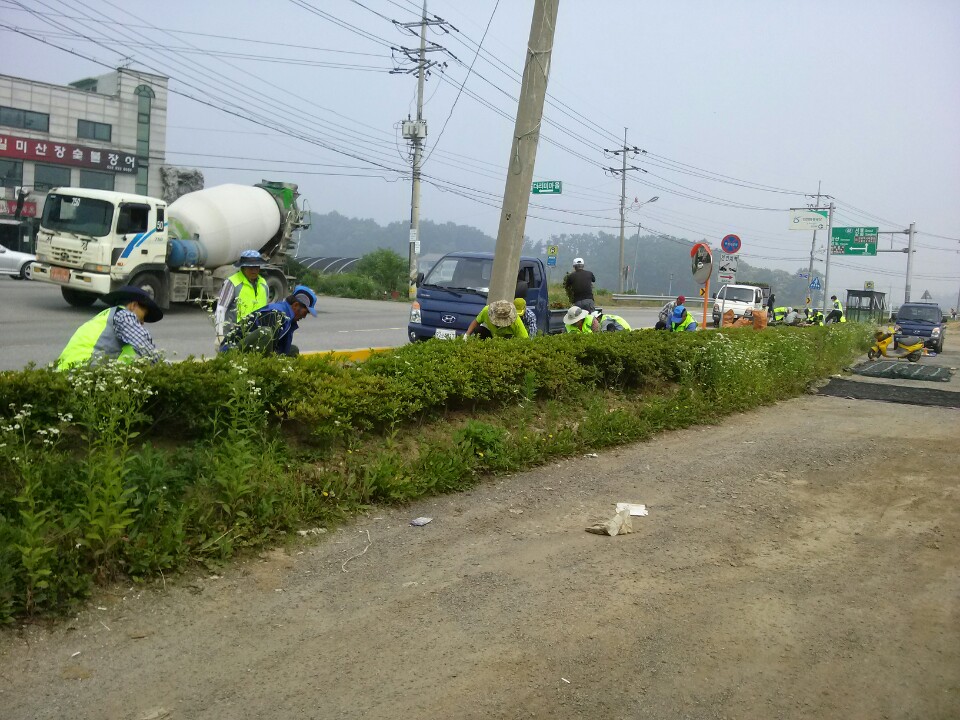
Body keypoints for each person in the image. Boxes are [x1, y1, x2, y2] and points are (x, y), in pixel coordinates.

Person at [56, 286, 163, 370]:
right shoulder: (124, 315)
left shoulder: (106, 316)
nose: (142, 322)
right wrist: (165, 370)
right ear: (133, 305)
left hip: (65, 371)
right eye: (143, 315)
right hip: (83, 371)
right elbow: (145, 348)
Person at [220, 285, 318, 356]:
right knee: (266, 333)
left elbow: (282, 349)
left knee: (292, 350)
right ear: (295, 305)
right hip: (230, 351)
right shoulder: (276, 314)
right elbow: (267, 349)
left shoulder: (288, 318)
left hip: (248, 350)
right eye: (305, 312)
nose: (304, 316)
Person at [214, 250, 269, 340]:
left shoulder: (263, 283)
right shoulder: (232, 282)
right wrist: (219, 335)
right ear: (243, 267)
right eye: (250, 268)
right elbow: (221, 308)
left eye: (256, 267)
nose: (254, 270)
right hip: (236, 334)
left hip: (258, 334)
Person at [463, 299, 529, 339]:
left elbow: (524, 338)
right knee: (478, 329)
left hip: (507, 341)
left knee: (509, 337)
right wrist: (466, 335)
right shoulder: (486, 311)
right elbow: (476, 322)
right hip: (491, 337)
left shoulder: (515, 319)